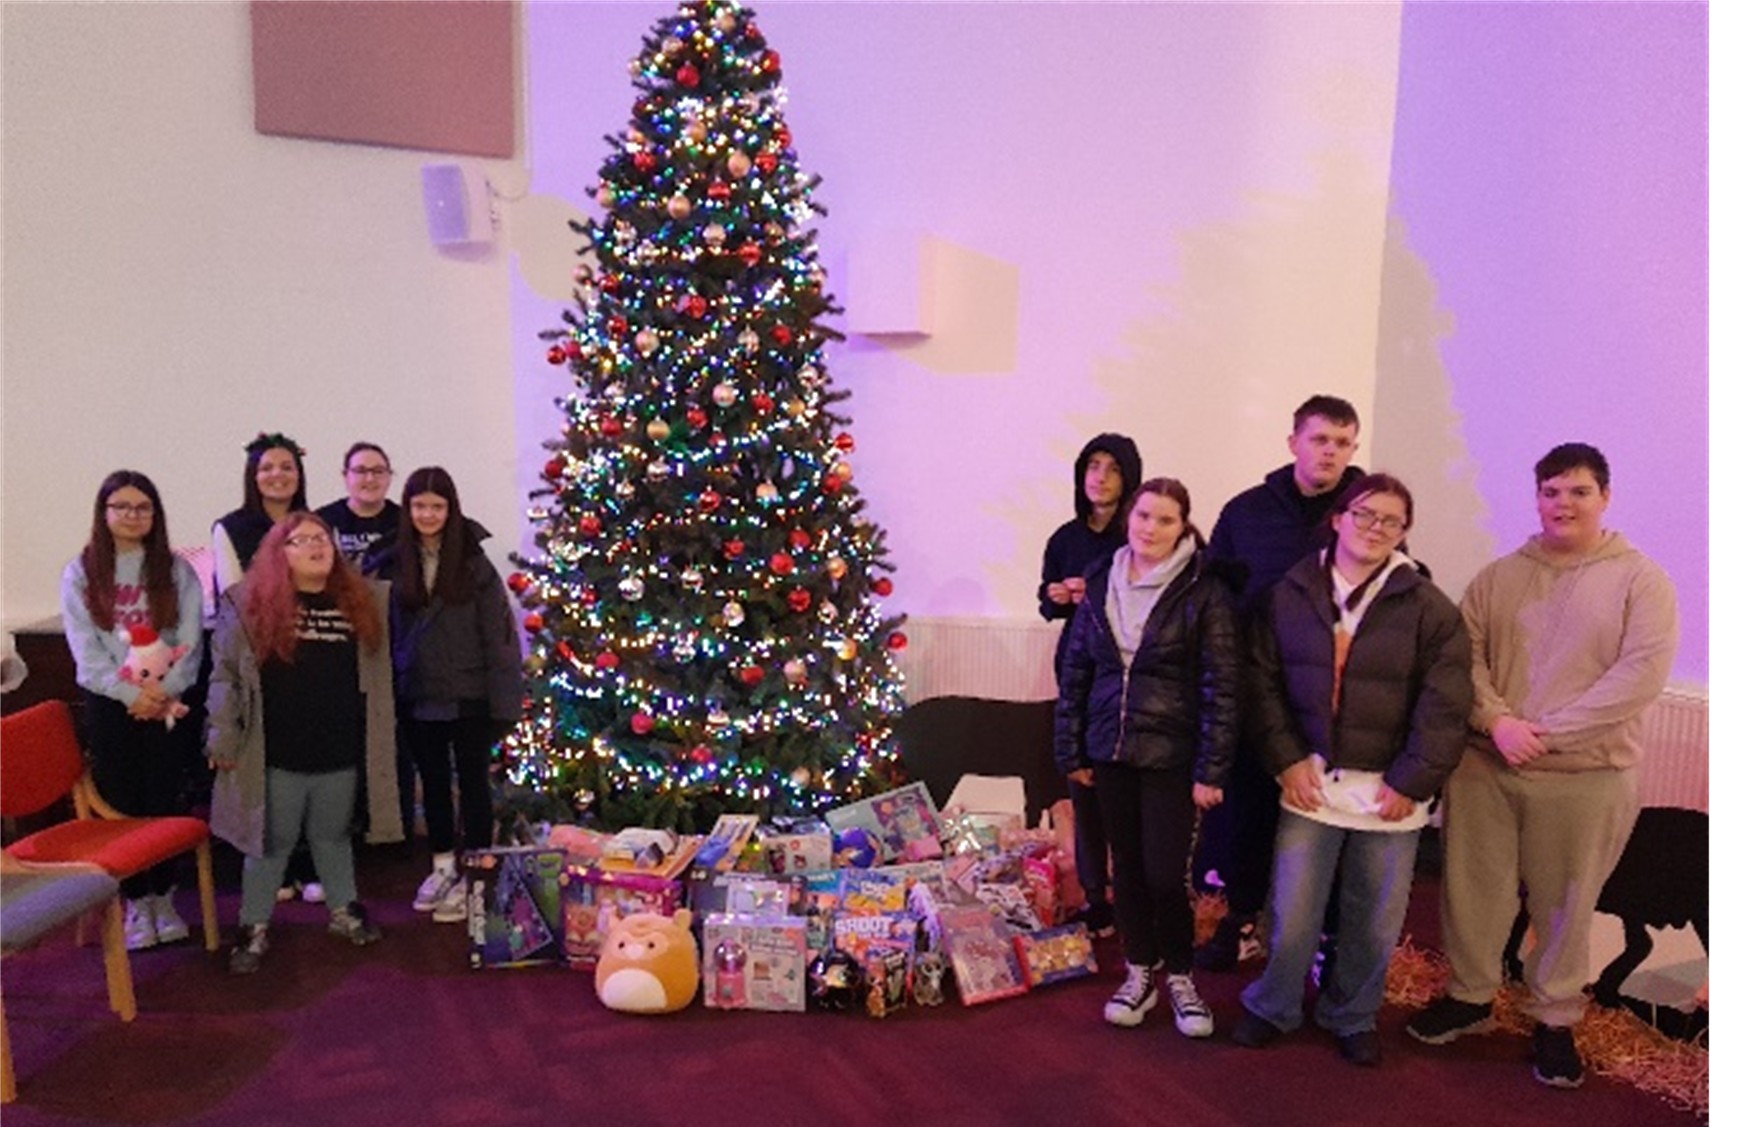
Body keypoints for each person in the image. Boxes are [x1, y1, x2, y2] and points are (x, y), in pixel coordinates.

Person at [1406, 444, 1678, 1089]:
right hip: (1487, 765)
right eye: (1551, 492)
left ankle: (1554, 1016)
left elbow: (1638, 677)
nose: (1564, 504)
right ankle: (1470, 996)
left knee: (1566, 903)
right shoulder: (1498, 577)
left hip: (1586, 776)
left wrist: (1546, 734)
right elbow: (1462, 659)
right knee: (1473, 891)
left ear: (1605, 498)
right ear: (1537, 498)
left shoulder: (1642, 581)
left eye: (1579, 492)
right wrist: (1498, 722)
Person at [1229, 474, 1471, 1066]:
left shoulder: (1428, 607)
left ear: (1404, 533)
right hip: (1309, 784)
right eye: (1364, 515)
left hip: (1391, 794)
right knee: (1292, 915)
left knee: (1373, 921)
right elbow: (1261, 684)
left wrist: (1411, 781)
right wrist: (1284, 759)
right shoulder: (1290, 592)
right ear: (1338, 519)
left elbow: (1445, 706)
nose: (1375, 529)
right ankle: (1273, 1005)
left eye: (1391, 521)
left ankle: (1352, 1014)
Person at [1054, 478, 1237, 1037]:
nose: (1150, 529)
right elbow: (1078, 670)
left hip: (1171, 755)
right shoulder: (1102, 578)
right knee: (1126, 872)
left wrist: (1211, 769)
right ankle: (1139, 972)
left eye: (1164, 520)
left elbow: (1222, 684)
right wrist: (1072, 748)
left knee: (1164, 875)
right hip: (1109, 749)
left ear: (1183, 526)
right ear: (1128, 519)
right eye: (1143, 517)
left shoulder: (1203, 588)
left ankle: (1180, 976)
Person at [1195, 395, 1363, 971]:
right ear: (1293, 442)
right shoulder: (1245, 512)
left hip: (1333, 703)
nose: (1330, 453)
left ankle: (1320, 938)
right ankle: (1242, 920)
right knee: (1251, 819)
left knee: (1327, 822)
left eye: (1342, 443)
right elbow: (1213, 598)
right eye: (1320, 440)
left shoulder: (1367, 512)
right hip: (1255, 693)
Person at [206, 512, 401, 973]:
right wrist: (222, 736)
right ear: (280, 553)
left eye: (323, 539)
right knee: (269, 843)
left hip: (337, 747)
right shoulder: (248, 604)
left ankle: (343, 909)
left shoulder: (361, 601)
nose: (317, 546)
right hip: (276, 752)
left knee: (332, 837)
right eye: (301, 540)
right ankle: (253, 926)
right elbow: (226, 677)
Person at [60, 471, 207, 950]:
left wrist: (165, 692)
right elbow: (86, 653)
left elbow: (190, 640)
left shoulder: (175, 571)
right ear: (104, 514)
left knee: (164, 799)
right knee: (122, 803)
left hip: (168, 704)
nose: (131, 516)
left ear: (155, 514)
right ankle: (134, 905)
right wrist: (131, 696)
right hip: (112, 707)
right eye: (121, 507)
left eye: (142, 508)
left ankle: (164, 898)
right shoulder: (82, 572)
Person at [373, 467, 522, 924]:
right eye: (419, 506)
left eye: (437, 506)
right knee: (433, 785)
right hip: (418, 694)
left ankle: (476, 872)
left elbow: (499, 636)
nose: (428, 514)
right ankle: (441, 867)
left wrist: (504, 702)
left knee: (474, 784)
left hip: (471, 693)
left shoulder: (474, 563)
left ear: (451, 509)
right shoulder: (391, 562)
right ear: (408, 509)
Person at [1038, 432, 1143, 939]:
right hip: (1076, 670)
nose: (1100, 477)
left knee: (1122, 790)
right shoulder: (1065, 538)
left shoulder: (1138, 537)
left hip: (1123, 676)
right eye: (1092, 466)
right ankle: (1094, 897)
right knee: (1082, 785)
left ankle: (1132, 896)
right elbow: (1049, 602)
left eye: (1112, 468)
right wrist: (1058, 594)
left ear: (1130, 479)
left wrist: (1096, 594)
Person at [212, 430, 324, 903]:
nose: (278, 475)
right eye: (268, 468)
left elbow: (327, 583)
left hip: (311, 656)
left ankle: (309, 861)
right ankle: (272, 863)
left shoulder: (315, 524)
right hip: (258, 657)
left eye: (287, 467)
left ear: (299, 474)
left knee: (310, 762)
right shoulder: (231, 527)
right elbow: (234, 597)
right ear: (253, 476)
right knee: (269, 769)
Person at [317, 441, 401, 567]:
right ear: (345, 476)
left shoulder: (405, 521)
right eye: (360, 471)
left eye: (378, 471)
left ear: (389, 476)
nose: (370, 478)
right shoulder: (320, 521)